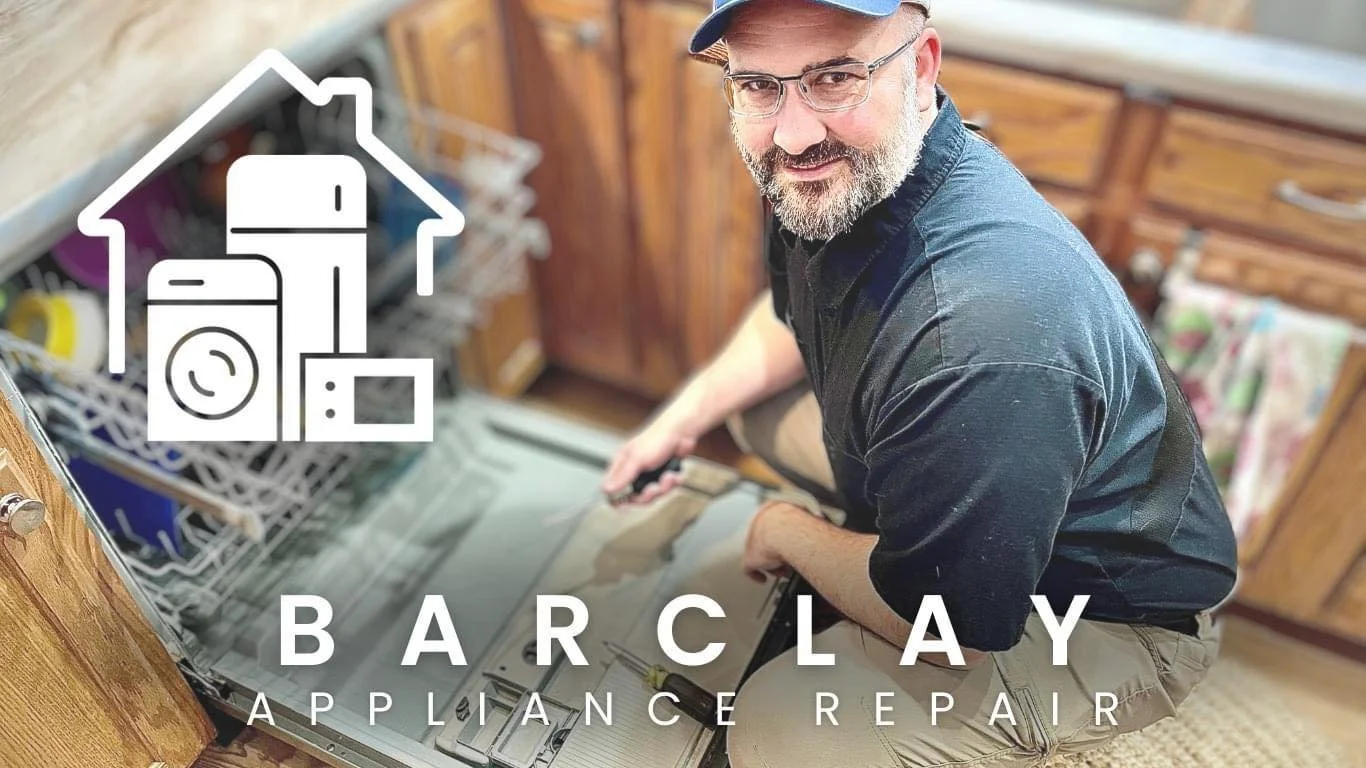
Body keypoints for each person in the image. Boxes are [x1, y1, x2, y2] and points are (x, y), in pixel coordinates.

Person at [601, 0, 1239, 765]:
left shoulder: (980, 336)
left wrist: (788, 531)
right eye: (759, 86)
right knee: (754, 407)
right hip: (987, 468)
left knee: (779, 728)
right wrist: (677, 420)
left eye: (834, 77)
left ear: (922, 65)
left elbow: (948, 631)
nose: (794, 134)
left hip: (1104, 612)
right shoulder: (835, 176)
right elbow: (794, 317)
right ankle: (905, 540)